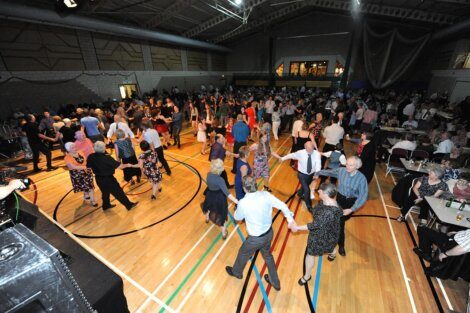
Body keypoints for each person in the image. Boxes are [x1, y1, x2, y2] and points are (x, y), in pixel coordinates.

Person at [225, 175, 295, 291]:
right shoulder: (265, 195)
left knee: (243, 253)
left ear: (244, 188)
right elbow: (283, 205)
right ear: (256, 184)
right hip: (268, 234)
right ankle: (275, 282)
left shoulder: (244, 202)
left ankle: (237, 272)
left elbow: (237, 217)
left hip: (255, 239)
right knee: (267, 255)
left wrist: (238, 207)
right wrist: (290, 220)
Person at [314, 156, 368, 257]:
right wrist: (318, 172)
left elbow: (363, 196)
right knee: (339, 223)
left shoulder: (361, 179)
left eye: (350, 165)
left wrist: (352, 209)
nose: (347, 166)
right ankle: (337, 244)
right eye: (346, 163)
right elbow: (330, 172)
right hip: (339, 199)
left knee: (339, 222)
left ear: (357, 166)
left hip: (350, 203)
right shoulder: (342, 171)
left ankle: (339, 244)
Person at [292, 183, 343, 286]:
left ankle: (306, 277)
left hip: (321, 236)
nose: (317, 191)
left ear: (325, 194)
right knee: (330, 247)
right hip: (331, 233)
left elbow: (314, 225)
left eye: (319, 191)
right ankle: (332, 253)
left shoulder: (329, 212)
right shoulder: (328, 202)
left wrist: (297, 228)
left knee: (310, 254)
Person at [86, 141, 138, 211]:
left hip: (98, 179)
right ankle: (129, 205)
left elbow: (88, 167)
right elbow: (120, 167)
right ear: (103, 148)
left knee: (105, 192)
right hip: (108, 179)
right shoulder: (106, 158)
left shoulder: (90, 156)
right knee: (118, 192)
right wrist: (128, 165)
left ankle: (106, 205)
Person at [273, 141, 321, 211]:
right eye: (309, 149)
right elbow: (291, 155)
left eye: (312, 148)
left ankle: (299, 193)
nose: (311, 151)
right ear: (305, 148)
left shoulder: (316, 154)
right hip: (301, 174)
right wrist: (282, 158)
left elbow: (318, 164)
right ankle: (309, 206)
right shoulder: (300, 153)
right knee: (307, 189)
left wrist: (317, 174)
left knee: (305, 186)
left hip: (311, 174)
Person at [201, 159, 239, 239]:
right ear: (220, 169)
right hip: (219, 198)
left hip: (209, 195)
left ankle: (207, 219)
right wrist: (236, 201)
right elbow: (227, 193)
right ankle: (224, 233)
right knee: (221, 216)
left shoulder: (208, 174)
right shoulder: (220, 180)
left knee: (208, 207)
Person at [63, 142, 96, 206]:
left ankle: (92, 201)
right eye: (73, 147)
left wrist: (88, 167)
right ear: (68, 149)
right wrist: (86, 167)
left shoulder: (80, 152)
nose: (75, 148)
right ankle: (86, 194)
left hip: (86, 171)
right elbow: (73, 167)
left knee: (90, 186)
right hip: (77, 174)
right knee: (84, 186)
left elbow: (85, 160)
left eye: (75, 146)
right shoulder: (67, 158)